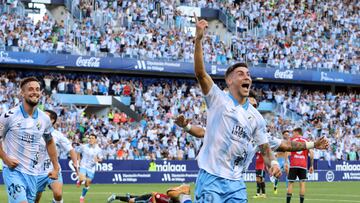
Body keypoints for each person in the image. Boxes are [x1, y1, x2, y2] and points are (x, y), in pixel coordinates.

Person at [193, 14, 281, 202]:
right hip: (211, 178)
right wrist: (198, 40)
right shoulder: (218, 98)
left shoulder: (256, 117)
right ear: (229, 80)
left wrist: (273, 163)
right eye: (240, 74)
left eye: (248, 74)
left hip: (236, 184)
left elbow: (265, 149)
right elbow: (201, 74)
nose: (247, 77)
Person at [0, 77, 59, 203]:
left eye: (37, 89)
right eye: (30, 89)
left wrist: (56, 167)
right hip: (13, 171)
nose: (35, 92)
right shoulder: (9, 116)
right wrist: (5, 158)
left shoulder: (44, 119)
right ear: (22, 93)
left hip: (33, 174)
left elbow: (49, 141)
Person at [35, 109, 79, 203]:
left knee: (58, 194)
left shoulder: (58, 135)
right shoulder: (34, 131)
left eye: (45, 116)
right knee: (35, 199)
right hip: (37, 171)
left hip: (53, 169)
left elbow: (70, 149)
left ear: (52, 120)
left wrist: (75, 163)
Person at [286, 128, 314, 203]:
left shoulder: (292, 140)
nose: (293, 134)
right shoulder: (306, 141)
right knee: (302, 184)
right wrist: (311, 165)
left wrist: (286, 162)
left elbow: (287, 150)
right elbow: (311, 153)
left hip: (293, 164)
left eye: (293, 132)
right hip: (303, 165)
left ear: (297, 132)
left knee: (291, 183)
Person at [77, 133, 103, 203]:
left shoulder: (98, 149)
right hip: (83, 165)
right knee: (82, 178)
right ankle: (80, 180)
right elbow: (78, 152)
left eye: (92, 138)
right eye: (90, 138)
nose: (90, 139)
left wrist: (97, 160)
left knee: (87, 183)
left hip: (91, 168)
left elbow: (101, 159)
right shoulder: (84, 146)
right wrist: (79, 160)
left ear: (95, 140)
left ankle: (82, 197)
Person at [107, 184, 192, 203]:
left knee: (133, 198)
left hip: (149, 199)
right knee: (131, 201)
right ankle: (115, 197)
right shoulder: (166, 199)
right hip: (149, 198)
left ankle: (126, 196)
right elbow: (154, 193)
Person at [273, 130, 291, 194]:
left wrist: (286, 161)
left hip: (286, 159)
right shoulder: (279, 142)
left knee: (288, 174)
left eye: (288, 135)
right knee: (278, 175)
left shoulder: (289, 143)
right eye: (285, 134)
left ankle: (287, 188)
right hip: (279, 159)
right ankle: (275, 186)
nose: (287, 136)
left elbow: (289, 152)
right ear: (283, 135)